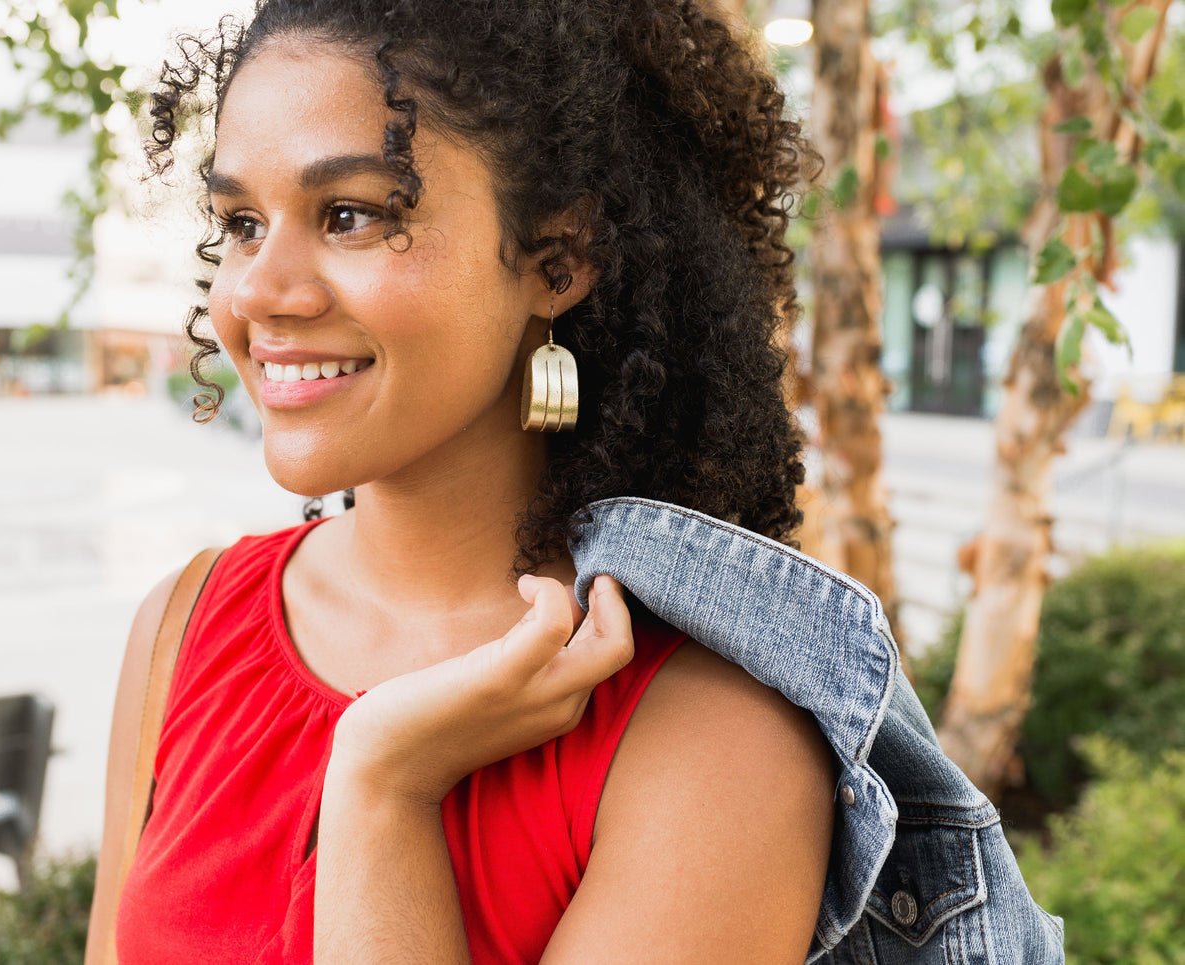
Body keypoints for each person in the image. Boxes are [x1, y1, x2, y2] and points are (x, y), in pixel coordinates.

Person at [87, 1, 1063, 962]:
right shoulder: (184, 625)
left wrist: (383, 789)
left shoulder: (713, 735)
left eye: (348, 214)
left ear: (557, 260)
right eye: (241, 222)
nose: (258, 289)